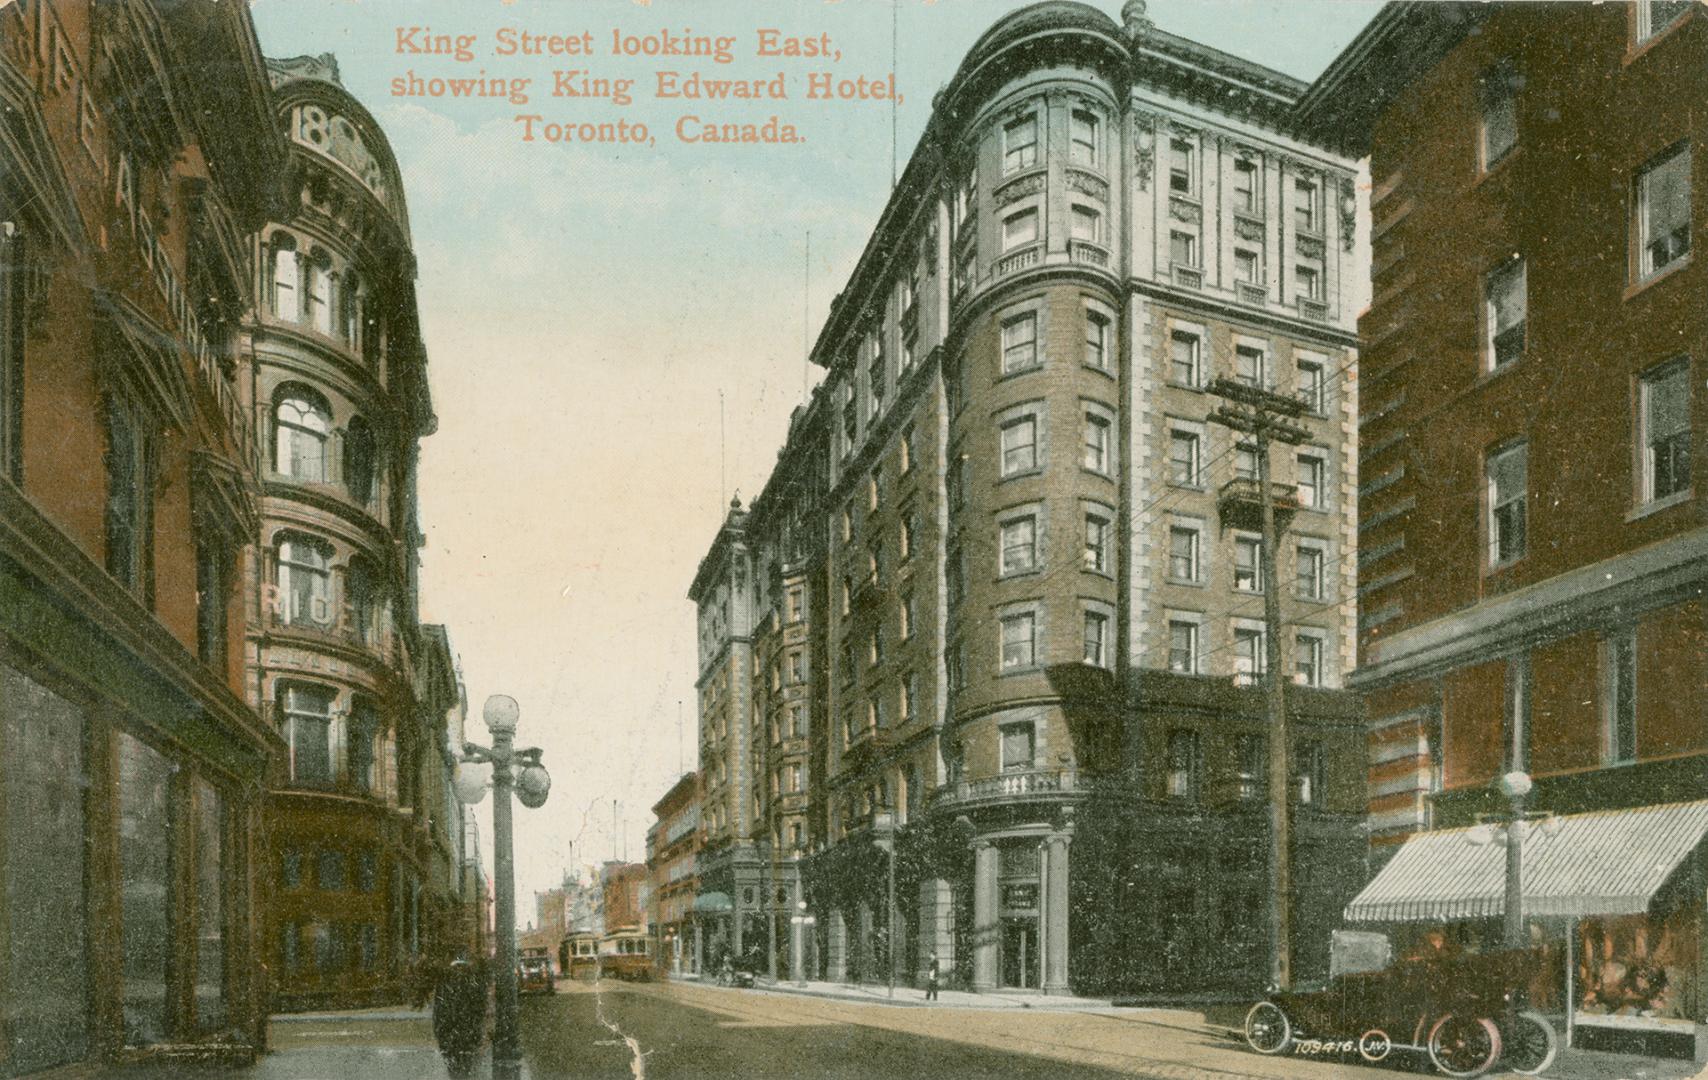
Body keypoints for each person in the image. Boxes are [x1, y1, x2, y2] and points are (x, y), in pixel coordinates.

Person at [433, 957, 487, 1078]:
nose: (459, 972)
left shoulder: (447, 985)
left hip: (457, 1033)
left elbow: (438, 1010)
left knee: (459, 1066)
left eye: (460, 969)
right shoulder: (472, 985)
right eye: (457, 969)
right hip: (458, 1033)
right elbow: (479, 1010)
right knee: (462, 1066)